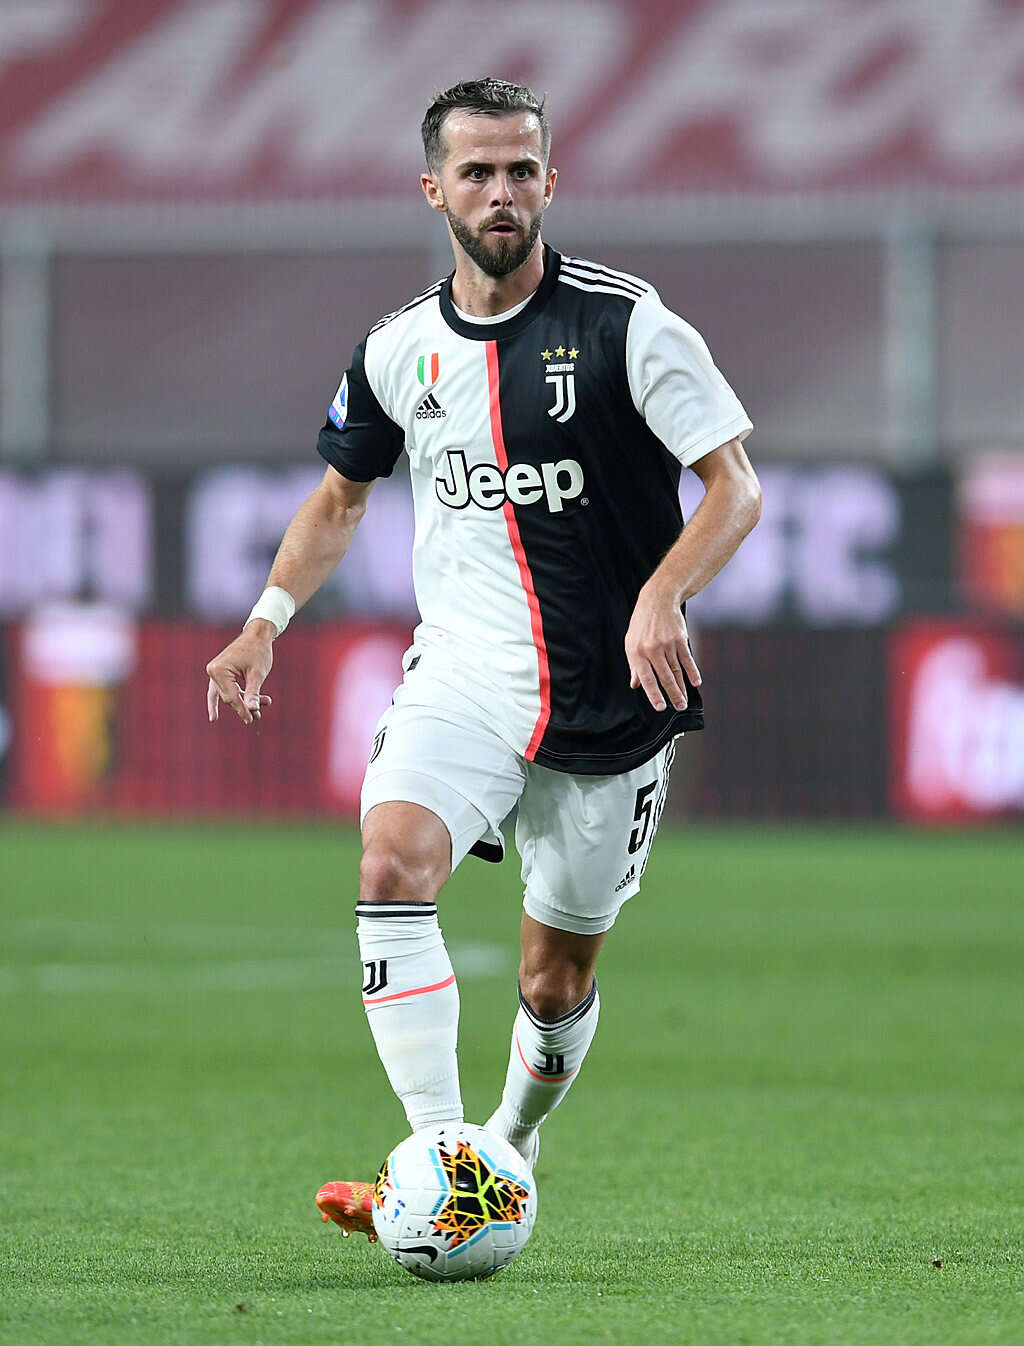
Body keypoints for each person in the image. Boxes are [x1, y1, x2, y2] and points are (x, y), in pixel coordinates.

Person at [205, 77, 761, 1240]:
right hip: (462, 671)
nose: (499, 192)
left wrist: (663, 591)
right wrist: (265, 618)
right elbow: (338, 500)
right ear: (434, 189)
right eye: (476, 172)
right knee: (391, 862)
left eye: (518, 170)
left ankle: (509, 1138)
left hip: (611, 698)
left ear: (550, 181)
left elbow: (734, 488)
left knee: (554, 985)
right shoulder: (396, 349)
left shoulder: (627, 326)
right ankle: (438, 1155)